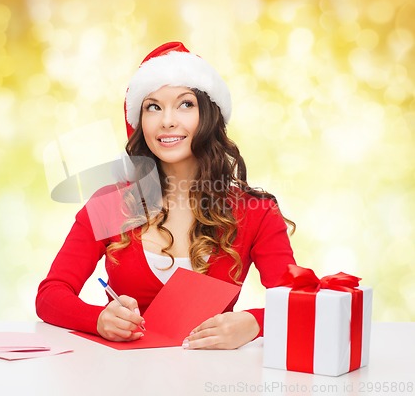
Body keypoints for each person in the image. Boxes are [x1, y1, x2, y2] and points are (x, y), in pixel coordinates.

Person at [36, 41, 296, 350]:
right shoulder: (110, 205)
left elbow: (300, 303)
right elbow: (50, 295)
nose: (167, 120)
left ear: (210, 115)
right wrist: (98, 319)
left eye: (185, 104)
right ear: (140, 122)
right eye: (153, 107)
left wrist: (255, 323)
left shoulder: (256, 212)